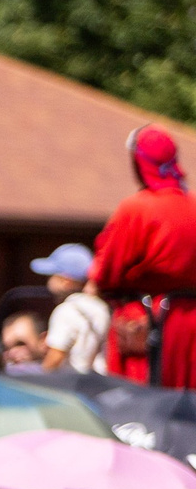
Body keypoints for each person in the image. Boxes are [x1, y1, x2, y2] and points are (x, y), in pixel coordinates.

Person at [91, 124, 196, 388]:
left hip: (148, 320)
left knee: (138, 412)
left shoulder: (137, 208)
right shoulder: (193, 203)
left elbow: (105, 271)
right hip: (190, 323)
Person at [34, 243, 111, 373]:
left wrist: (38, 386)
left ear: (66, 282)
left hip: (74, 385)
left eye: (52, 275)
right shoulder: (101, 307)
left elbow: (56, 356)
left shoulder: (67, 310)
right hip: (98, 383)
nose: (48, 281)